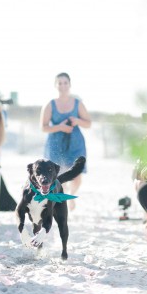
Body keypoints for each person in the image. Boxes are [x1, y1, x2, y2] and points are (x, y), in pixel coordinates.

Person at [40, 72, 91, 211]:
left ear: (70, 84)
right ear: (55, 85)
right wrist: (60, 127)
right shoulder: (49, 105)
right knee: (56, 175)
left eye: (65, 83)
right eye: (59, 83)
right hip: (56, 144)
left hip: (75, 143)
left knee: (76, 174)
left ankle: (71, 195)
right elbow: (43, 127)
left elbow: (88, 123)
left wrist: (78, 120)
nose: (62, 86)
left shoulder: (77, 104)